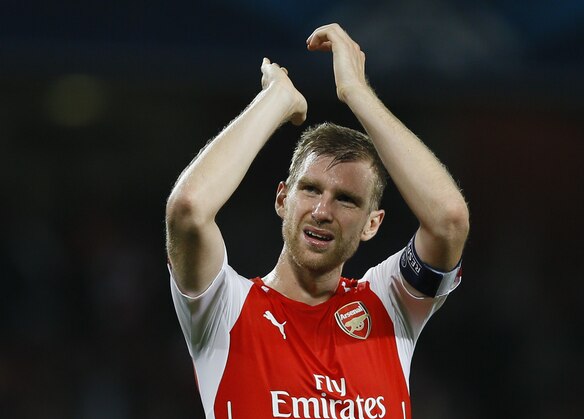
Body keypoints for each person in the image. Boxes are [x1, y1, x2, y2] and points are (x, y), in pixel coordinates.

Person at [166, 23, 469, 419]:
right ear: (282, 199)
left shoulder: (389, 305)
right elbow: (188, 209)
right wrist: (274, 101)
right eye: (309, 190)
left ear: (371, 224)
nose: (323, 211)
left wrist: (357, 93)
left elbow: (448, 219)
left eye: (345, 199)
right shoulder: (224, 309)